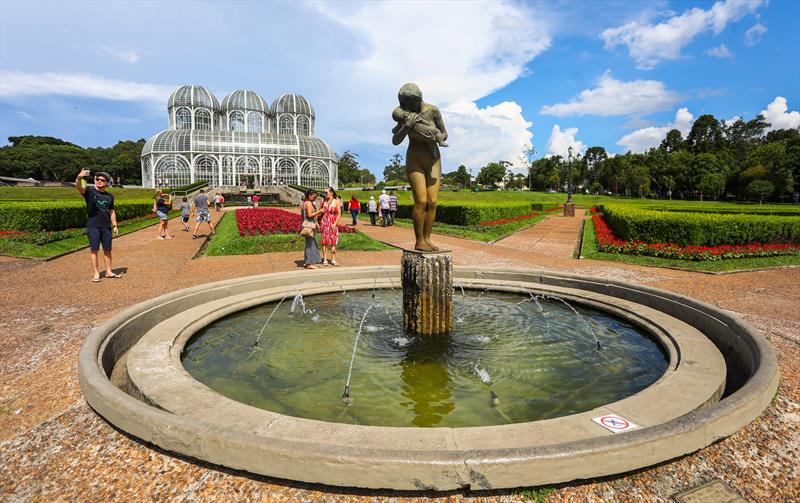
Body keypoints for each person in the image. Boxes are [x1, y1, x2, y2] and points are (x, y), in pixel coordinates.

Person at [391, 83, 447, 251]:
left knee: (432, 201)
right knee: (421, 201)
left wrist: (439, 137)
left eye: (408, 104)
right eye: (403, 104)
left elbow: (444, 132)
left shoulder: (433, 110)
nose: (406, 107)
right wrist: (407, 126)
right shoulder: (405, 115)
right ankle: (419, 240)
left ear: (418, 99)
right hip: (414, 159)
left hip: (433, 158)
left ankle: (428, 238)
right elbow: (395, 140)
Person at [75, 169, 119, 282]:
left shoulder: (110, 196)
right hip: (93, 225)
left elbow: (111, 211)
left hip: (106, 226)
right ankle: (96, 273)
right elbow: (79, 188)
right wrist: (79, 177)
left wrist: (114, 225)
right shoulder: (89, 191)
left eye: (102, 180)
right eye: (97, 179)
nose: (99, 181)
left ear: (107, 183)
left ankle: (109, 271)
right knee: (94, 250)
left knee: (108, 250)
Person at [300, 189, 323, 269]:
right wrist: (320, 211)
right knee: (311, 244)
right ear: (310, 195)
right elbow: (310, 215)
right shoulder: (309, 203)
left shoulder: (303, 203)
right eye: (314, 196)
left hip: (305, 225)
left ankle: (307, 262)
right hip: (309, 226)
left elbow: (305, 216)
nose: (315, 198)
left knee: (308, 244)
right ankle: (309, 263)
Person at [319, 186, 341, 266]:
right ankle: (325, 259)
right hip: (325, 223)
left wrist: (335, 223)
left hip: (332, 223)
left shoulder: (336, 201)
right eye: (324, 192)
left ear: (331, 192)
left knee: (333, 241)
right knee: (324, 242)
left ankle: (333, 259)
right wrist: (319, 222)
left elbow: (339, 214)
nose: (325, 194)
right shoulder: (323, 201)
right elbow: (320, 212)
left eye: (326, 192)